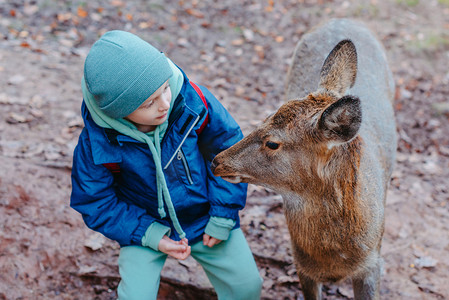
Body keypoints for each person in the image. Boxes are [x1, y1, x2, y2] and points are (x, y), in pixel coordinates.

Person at [70, 30, 263, 299]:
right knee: (135, 296)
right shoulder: (98, 142)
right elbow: (95, 201)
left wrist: (223, 212)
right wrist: (149, 235)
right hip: (144, 225)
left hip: (206, 216)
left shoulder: (192, 101)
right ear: (119, 112)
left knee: (247, 286)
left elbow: (228, 150)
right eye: (149, 103)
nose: (164, 104)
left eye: (164, 89)